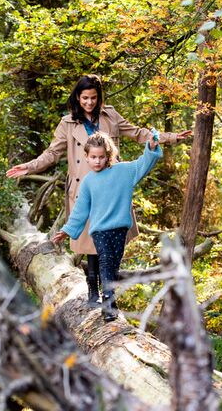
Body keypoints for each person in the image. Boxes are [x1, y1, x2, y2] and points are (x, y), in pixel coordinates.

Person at [6, 74, 191, 305]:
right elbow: (52, 153)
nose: (89, 103)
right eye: (84, 98)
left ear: (99, 97)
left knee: (108, 244)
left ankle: (108, 295)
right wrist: (29, 166)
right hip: (84, 189)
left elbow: (138, 133)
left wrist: (169, 137)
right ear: (77, 97)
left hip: (111, 190)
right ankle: (93, 288)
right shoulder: (67, 123)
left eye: (93, 98)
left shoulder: (110, 116)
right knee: (89, 244)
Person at [51, 131, 162, 322]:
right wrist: (67, 230)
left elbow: (143, 164)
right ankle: (108, 303)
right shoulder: (88, 182)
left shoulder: (123, 171)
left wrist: (151, 148)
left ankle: (110, 299)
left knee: (113, 266)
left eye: (101, 157)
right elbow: (80, 211)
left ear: (108, 156)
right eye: (93, 157)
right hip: (100, 231)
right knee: (105, 262)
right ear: (86, 157)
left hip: (119, 230)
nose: (97, 161)